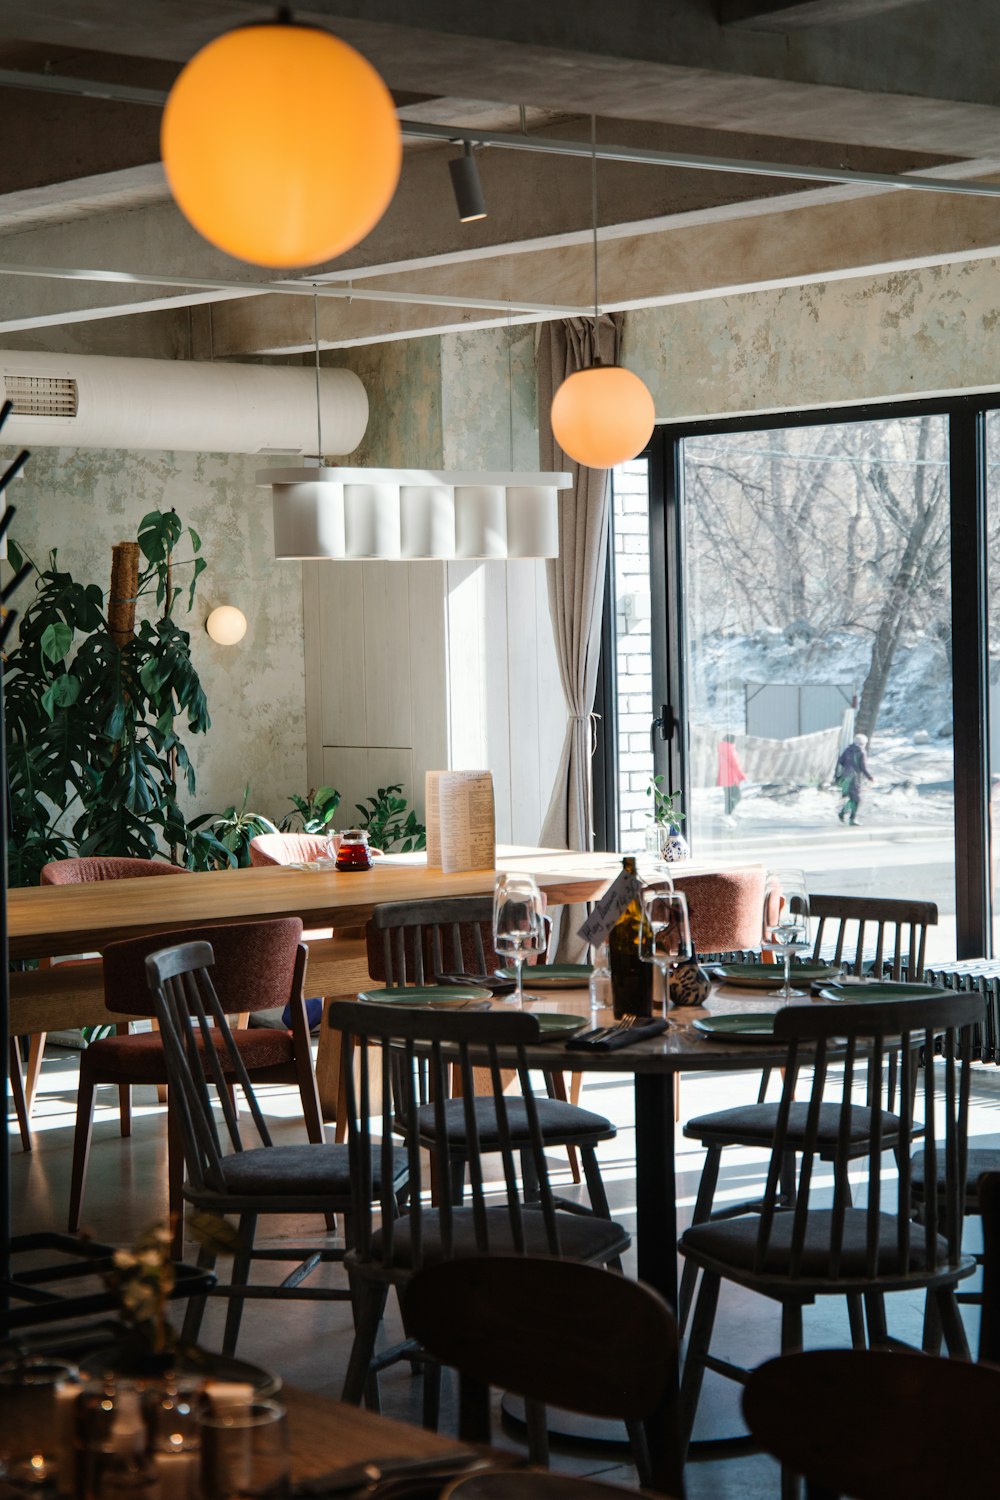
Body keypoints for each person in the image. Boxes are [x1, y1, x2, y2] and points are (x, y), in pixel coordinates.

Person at [835, 733, 875, 826]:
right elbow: (863, 767)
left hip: (845, 777)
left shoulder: (848, 750)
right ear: (863, 743)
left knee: (852, 798)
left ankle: (842, 813)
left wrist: (847, 768)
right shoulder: (861, 752)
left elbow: (841, 761)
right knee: (857, 799)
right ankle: (852, 819)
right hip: (855, 778)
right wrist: (870, 777)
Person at [717, 733, 747, 819]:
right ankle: (728, 814)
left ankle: (727, 814)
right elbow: (735, 764)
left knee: (728, 798)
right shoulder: (729, 749)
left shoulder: (722, 748)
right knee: (737, 796)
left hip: (725, 778)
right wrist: (741, 776)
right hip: (732, 778)